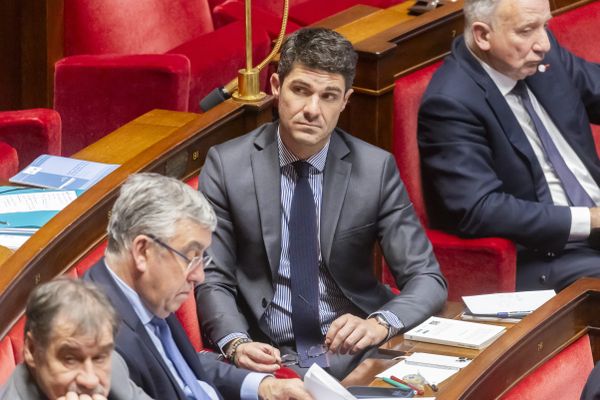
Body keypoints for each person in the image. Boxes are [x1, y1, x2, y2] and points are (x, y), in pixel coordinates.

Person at [196, 27, 448, 380]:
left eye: (329, 96)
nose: (312, 110)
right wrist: (236, 343)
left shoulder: (374, 169)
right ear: (275, 87)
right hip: (270, 355)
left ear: (345, 101)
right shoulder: (227, 166)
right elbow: (212, 277)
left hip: (358, 350)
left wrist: (379, 324)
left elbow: (427, 278)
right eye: (300, 91)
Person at [418, 0, 600, 291]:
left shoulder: (538, 56)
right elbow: (480, 208)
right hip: (548, 256)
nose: (544, 44)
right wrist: (590, 218)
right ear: (483, 35)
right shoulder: (451, 103)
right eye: (527, 30)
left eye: (545, 26)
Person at [84, 173, 311, 400]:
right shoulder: (98, 343)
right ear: (143, 251)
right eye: (191, 257)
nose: (199, 276)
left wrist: (263, 386)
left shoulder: (143, 295)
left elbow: (181, 366)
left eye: (202, 259)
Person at [0, 277, 153, 400]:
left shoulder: (110, 363)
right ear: (32, 350)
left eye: (99, 357)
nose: (90, 380)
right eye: (70, 359)